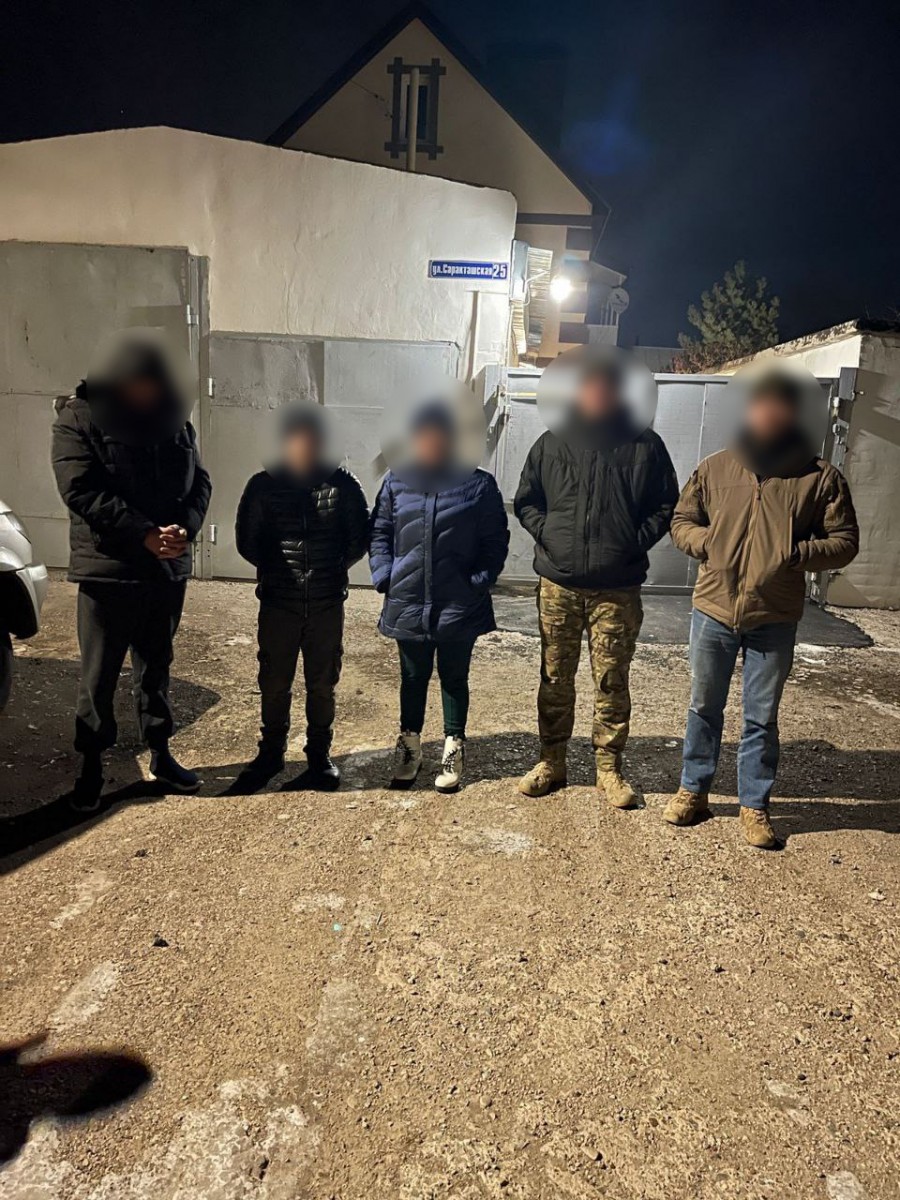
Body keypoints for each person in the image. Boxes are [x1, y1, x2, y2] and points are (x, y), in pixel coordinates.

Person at [666, 369, 859, 847]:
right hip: (713, 609)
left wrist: (796, 554)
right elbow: (682, 520)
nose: (768, 413)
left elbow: (844, 541)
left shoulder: (819, 477)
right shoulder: (717, 467)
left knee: (760, 716)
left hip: (774, 616)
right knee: (703, 706)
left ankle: (754, 805)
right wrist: (707, 543)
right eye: (760, 404)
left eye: (779, 405)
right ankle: (694, 790)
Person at [52, 335, 212, 811]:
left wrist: (185, 528)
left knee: (156, 667)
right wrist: (143, 534)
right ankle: (92, 766)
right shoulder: (79, 417)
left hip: (164, 570)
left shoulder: (174, 418)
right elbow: (80, 488)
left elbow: (200, 480)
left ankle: (161, 754)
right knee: (99, 675)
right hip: (109, 570)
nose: (148, 391)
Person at [514, 356, 678, 807]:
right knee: (555, 677)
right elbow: (527, 500)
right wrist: (549, 535)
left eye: (607, 387)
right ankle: (552, 761)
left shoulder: (645, 446)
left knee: (611, 679)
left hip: (616, 588)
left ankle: (608, 769)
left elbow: (666, 505)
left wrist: (631, 543)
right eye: (590, 387)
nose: (598, 395)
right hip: (559, 586)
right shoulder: (552, 442)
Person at [369, 402, 509, 792]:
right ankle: (410, 747)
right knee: (412, 677)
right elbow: (379, 532)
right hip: (408, 599)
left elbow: (495, 540)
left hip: (458, 602)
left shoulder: (477, 485)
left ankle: (453, 746)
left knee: (454, 677)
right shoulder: (397, 482)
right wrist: (385, 576)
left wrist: (478, 580)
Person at [234, 404, 369, 792]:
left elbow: (358, 539)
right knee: (274, 682)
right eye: (297, 439)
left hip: (326, 603)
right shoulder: (262, 486)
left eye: (312, 439)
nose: (304, 446)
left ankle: (319, 757)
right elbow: (248, 542)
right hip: (279, 602)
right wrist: (279, 572)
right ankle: (270, 753)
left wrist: (329, 570)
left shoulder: (344, 486)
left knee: (322, 684)